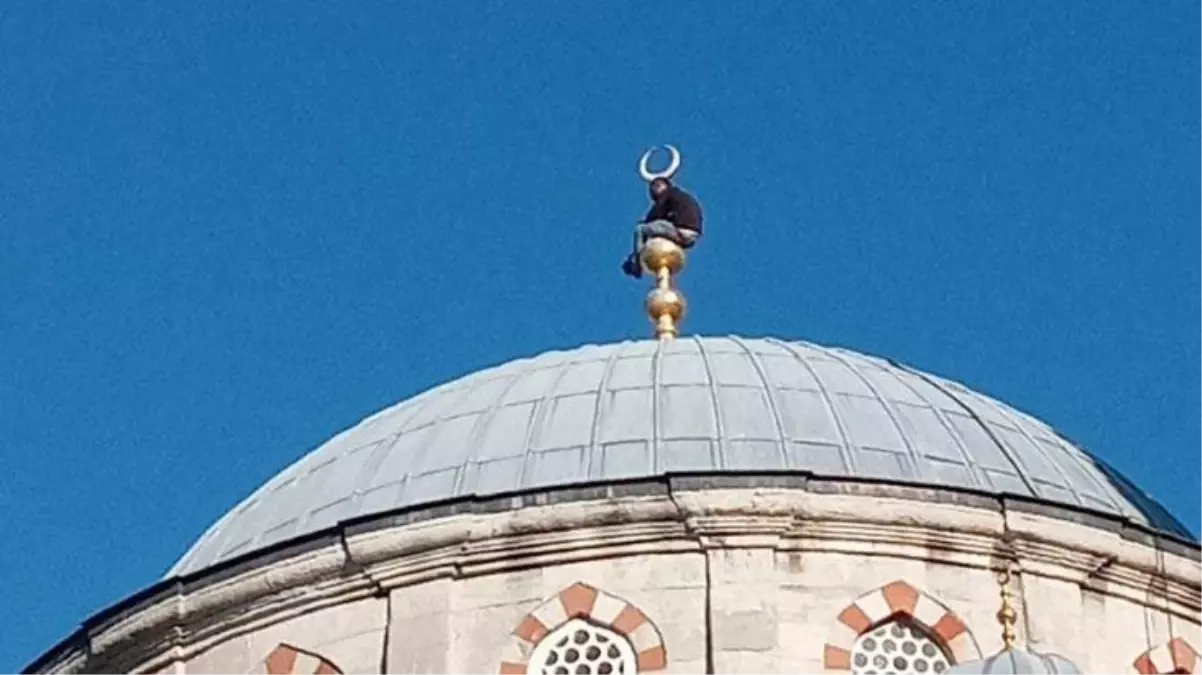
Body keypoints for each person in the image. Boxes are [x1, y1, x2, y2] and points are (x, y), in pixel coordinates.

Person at [621, 177, 704, 279]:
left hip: (681, 230)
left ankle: (637, 266)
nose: (653, 193)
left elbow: (654, 215)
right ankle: (637, 258)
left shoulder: (667, 194)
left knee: (641, 229)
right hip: (691, 235)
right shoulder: (678, 196)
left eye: (654, 188)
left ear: (661, 186)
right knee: (654, 231)